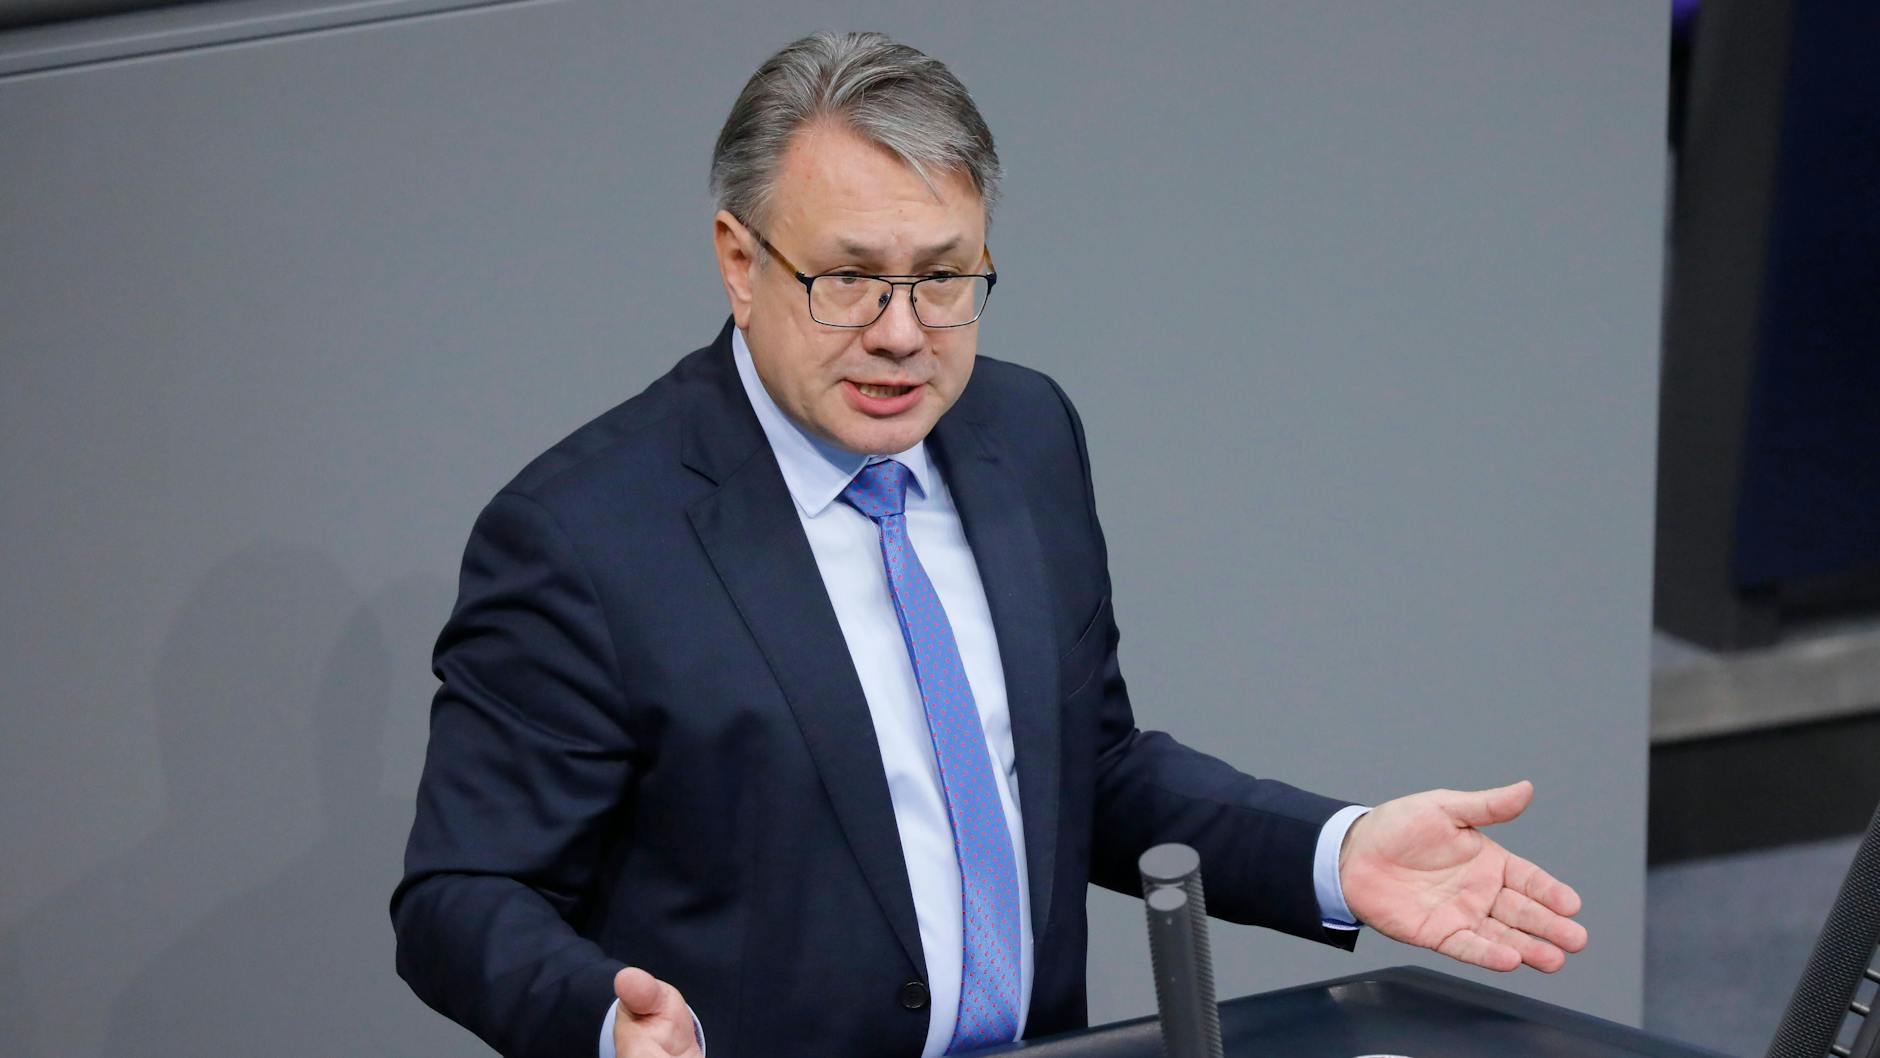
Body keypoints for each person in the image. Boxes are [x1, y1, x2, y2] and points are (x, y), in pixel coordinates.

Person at [390, 31, 1587, 1058]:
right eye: (849, 280)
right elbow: (461, 893)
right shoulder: (582, 536)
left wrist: (1333, 853)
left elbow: (1084, 766)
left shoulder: (1022, 430)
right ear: (739, 261)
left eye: (944, 278)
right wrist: (600, 1021)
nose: (902, 335)